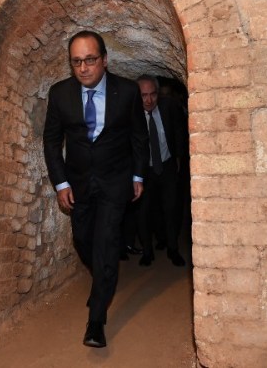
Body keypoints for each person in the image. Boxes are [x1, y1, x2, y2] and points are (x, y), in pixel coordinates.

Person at [43, 30, 149, 348]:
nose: (84, 68)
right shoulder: (60, 94)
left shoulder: (128, 92)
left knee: (105, 243)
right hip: (78, 184)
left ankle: (96, 320)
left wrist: (138, 176)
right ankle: (102, 277)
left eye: (90, 60)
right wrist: (60, 182)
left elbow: (138, 138)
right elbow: (51, 141)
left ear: (104, 59)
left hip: (115, 182)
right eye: (76, 62)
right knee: (83, 240)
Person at [135, 74, 186, 267]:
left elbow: (179, 132)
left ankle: (173, 249)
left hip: (167, 166)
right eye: (143, 95)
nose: (149, 100)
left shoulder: (169, 107)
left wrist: (179, 157)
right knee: (143, 212)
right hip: (143, 170)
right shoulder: (131, 113)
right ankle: (147, 251)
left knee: (171, 209)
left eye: (153, 95)